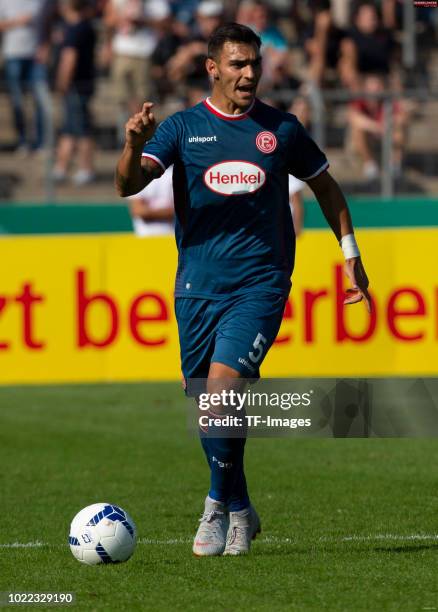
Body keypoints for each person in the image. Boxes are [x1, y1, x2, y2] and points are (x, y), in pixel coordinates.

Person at [115, 22, 371, 557]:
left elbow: (325, 185)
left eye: (254, 63)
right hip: (195, 288)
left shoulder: (281, 129)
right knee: (211, 408)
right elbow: (129, 184)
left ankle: (214, 505)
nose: (249, 73)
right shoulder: (184, 128)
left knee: (222, 390)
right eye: (237, 64)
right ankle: (241, 507)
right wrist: (133, 144)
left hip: (261, 283)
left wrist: (351, 254)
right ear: (213, 68)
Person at [53, 0, 97, 185]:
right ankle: (61, 168)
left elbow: (69, 58)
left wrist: (62, 84)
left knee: (81, 129)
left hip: (76, 87)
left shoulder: (76, 29)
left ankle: (85, 169)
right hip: (80, 86)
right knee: (69, 128)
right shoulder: (84, 27)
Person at [0, 0, 47, 152]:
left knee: (40, 100)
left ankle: (41, 142)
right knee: (17, 101)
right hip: (13, 54)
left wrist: (45, 46)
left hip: (36, 56)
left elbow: (48, 22)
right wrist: (17, 22)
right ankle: (23, 140)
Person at [128, 165, 174, 236]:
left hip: (171, 238)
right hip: (146, 238)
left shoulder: (175, 173)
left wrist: (148, 212)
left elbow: (179, 211)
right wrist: (166, 212)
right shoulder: (139, 174)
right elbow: (138, 211)